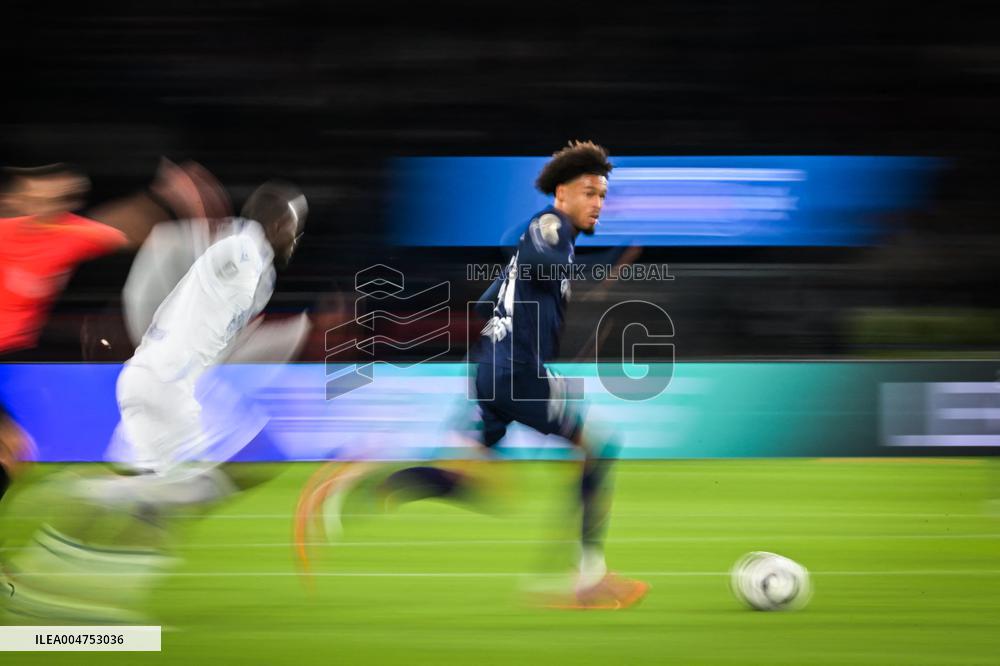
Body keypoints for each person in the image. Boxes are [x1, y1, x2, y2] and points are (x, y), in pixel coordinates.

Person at [301, 141, 648, 610]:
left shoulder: (545, 237)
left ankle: (356, 480)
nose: (598, 204)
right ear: (562, 194)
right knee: (598, 448)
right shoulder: (552, 227)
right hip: (517, 374)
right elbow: (529, 253)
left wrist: (560, 285)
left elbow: (492, 296)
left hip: (493, 371)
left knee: (474, 483)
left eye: (602, 196)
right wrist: (590, 269)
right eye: (590, 193)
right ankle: (587, 577)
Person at [1, 181, 308, 622]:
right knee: (216, 477)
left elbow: (215, 328)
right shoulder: (243, 248)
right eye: (295, 226)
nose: (295, 237)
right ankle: (78, 499)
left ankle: (69, 577)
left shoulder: (250, 257)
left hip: (163, 380)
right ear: (278, 222)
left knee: (174, 494)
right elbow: (190, 274)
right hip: (169, 383)